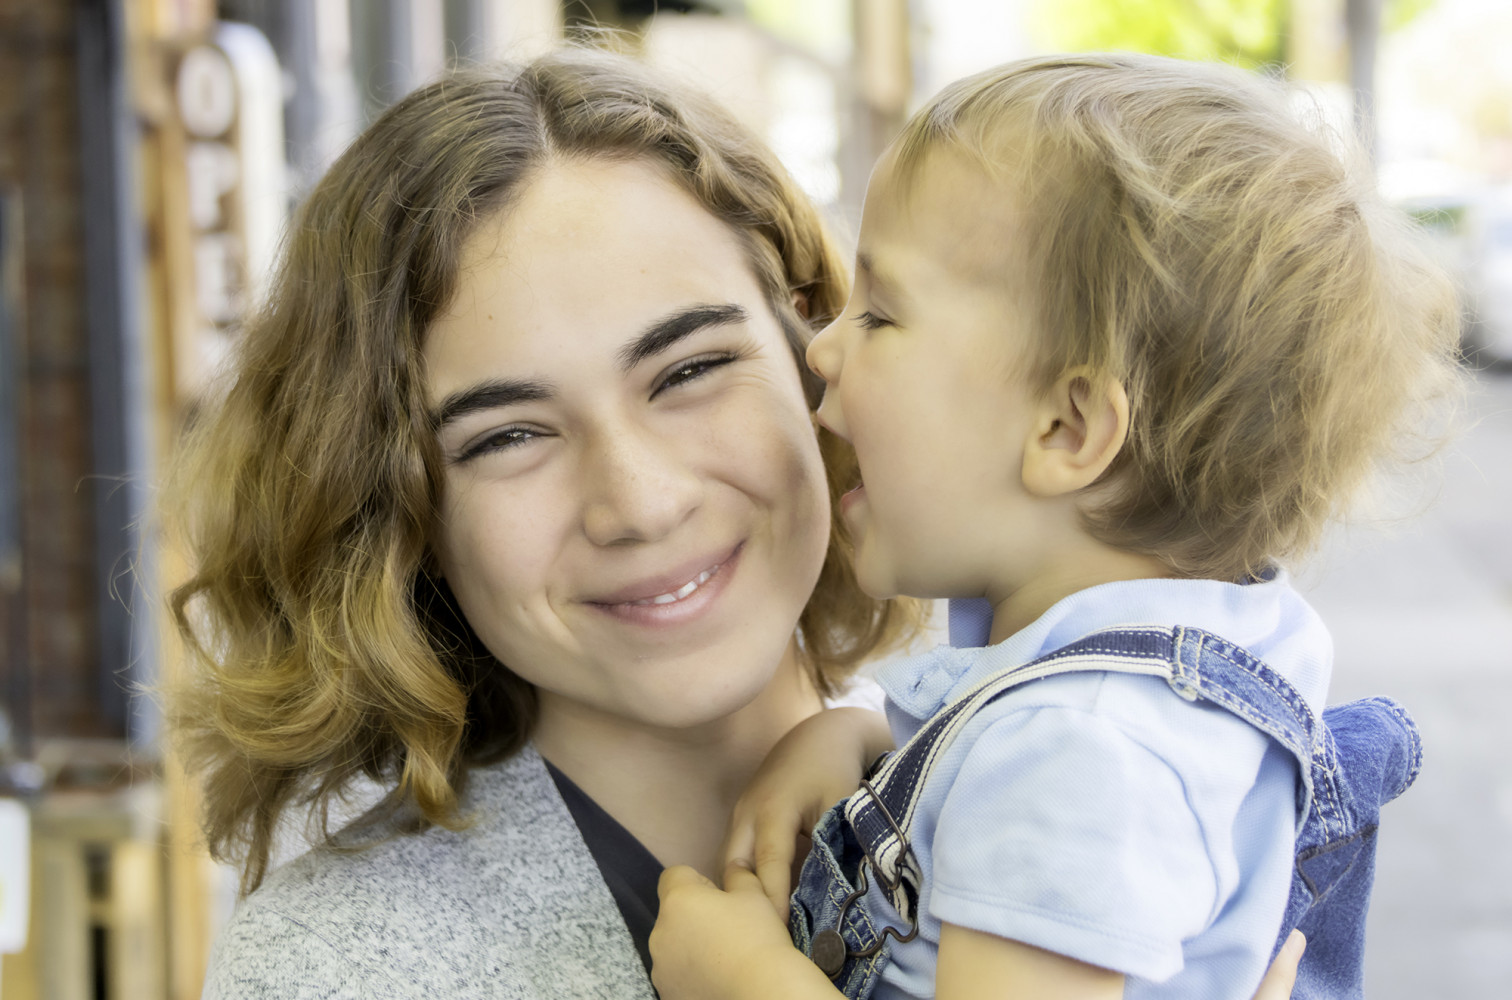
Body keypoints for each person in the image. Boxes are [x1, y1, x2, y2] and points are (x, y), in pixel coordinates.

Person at [165, 47, 1304, 999]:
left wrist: (868, 739)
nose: (641, 501)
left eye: (691, 368)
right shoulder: (344, 968)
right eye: (507, 435)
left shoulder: (1085, 751)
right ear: (400, 511)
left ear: (825, 350)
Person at [651, 53, 1461, 1000]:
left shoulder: (1081, 749)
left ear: (1067, 429)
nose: (823, 348)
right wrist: (873, 741)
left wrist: (742, 980)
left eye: (881, 314)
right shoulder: (1166, 676)